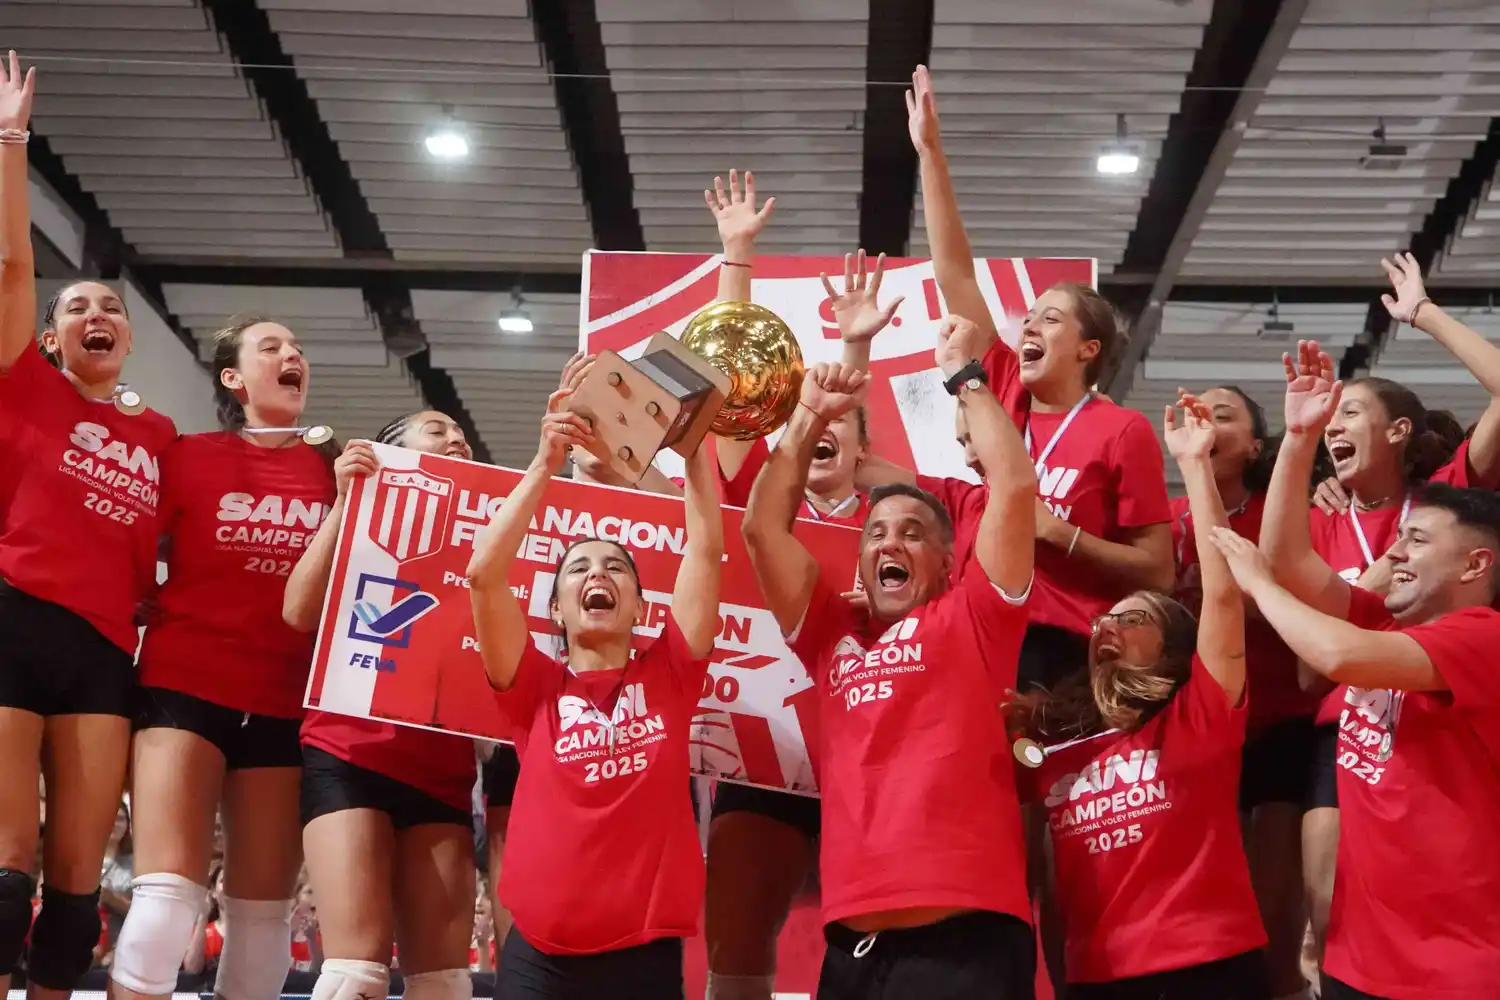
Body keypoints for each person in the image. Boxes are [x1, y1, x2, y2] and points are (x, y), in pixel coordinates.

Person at [742, 318, 1037, 998]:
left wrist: (967, 379)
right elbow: (762, 527)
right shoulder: (827, 626)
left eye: (911, 533)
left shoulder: (975, 614)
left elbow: (1014, 487)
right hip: (853, 949)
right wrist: (808, 416)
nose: (887, 544)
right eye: (875, 533)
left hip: (966, 942)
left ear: (945, 561)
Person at [1212, 379, 1500, 1000]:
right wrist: (1297, 438)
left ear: (1476, 566)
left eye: (1416, 541)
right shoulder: (1387, 616)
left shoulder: (1484, 638)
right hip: (1358, 963)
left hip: (1455, 970)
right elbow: (1293, 560)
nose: (1394, 551)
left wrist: (1262, 588)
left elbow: (1336, 652)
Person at [897, 64, 1173, 690]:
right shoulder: (1004, 389)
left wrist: (1060, 536)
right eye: (1028, 320)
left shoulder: (1121, 430)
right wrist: (931, 154)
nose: (1028, 330)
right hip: (979, 621)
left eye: (1050, 320)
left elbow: (1157, 571)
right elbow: (955, 276)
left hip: (1066, 647)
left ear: (1087, 349)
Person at [1264, 254, 1500, 974]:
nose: (1335, 424)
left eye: (1350, 413)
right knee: (1328, 910)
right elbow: (1287, 576)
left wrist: (1423, 315)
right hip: (1347, 723)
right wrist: (1300, 442)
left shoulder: (1443, 505)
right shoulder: (1323, 517)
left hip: (1434, 719)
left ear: (1399, 432)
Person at [0, 53, 179, 997]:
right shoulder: (24, 386)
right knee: (5, 867)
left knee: (76, 888)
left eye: (111, 306)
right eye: (78, 308)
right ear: (51, 333)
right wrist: (10, 141)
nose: (97, 313)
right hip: (15, 617)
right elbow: (17, 262)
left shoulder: (160, 434)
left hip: (109, 647)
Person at [701, 172, 901, 1000]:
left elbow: (842, 404)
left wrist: (854, 349)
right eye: (801, 428)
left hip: (871, 758)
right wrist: (736, 258)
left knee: (876, 956)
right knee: (737, 953)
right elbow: (724, 393)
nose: (817, 434)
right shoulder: (754, 502)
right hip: (760, 753)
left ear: (860, 443)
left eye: (834, 430)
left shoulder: (897, 521)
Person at [466, 359, 724, 999]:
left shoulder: (671, 672)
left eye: (616, 567)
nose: (597, 574)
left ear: (640, 605)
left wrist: (693, 451)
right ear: (555, 607)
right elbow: (483, 576)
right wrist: (543, 464)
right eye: (577, 569)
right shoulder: (533, 689)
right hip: (540, 957)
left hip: (645, 954)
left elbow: (703, 549)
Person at [1010, 394, 1268, 999]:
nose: (1106, 627)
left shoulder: (1202, 711)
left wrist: (1196, 467)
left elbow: (1223, 595)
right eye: (1103, 622)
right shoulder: (1054, 749)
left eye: (1131, 619)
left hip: (1209, 969)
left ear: (1175, 648)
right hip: (1099, 980)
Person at [111, 316, 336, 1000]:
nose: (292, 353)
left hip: (284, 699)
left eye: (298, 347)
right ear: (233, 378)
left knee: (263, 924)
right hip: (185, 684)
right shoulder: (186, 456)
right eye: (271, 347)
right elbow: (122, 542)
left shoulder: (336, 469)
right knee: (165, 903)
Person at [282, 410, 480, 1000]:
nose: (456, 437)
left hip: (443, 767)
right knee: (354, 977)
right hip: (349, 750)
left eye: (460, 432)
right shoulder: (357, 513)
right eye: (436, 428)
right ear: (391, 448)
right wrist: (348, 502)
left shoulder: (494, 533)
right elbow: (297, 612)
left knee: (445, 984)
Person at [1165, 387, 1310, 999]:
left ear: (1255, 445)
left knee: (1276, 907)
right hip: (1196, 732)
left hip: (1279, 721)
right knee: (1208, 900)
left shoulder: (1283, 516)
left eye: (1224, 414)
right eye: (1200, 411)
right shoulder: (1167, 520)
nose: (1207, 419)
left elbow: (1304, 605)